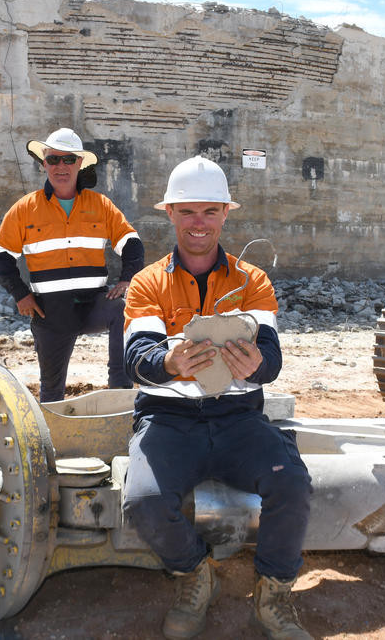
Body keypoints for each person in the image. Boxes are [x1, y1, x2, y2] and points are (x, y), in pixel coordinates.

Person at [122, 155, 313, 639]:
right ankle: (195, 575)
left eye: (210, 211)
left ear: (226, 213)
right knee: (143, 502)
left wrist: (259, 365)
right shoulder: (147, 283)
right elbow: (136, 355)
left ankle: (273, 596)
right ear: (169, 214)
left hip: (236, 420)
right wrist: (167, 364)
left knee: (291, 483)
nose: (199, 223)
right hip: (168, 420)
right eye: (187, 212)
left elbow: (270, 355)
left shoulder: (252, 281)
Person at [0, 128, 144, 402]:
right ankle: (54, 437)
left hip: (94, 304)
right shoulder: (25, 209)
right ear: (44, 164)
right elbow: (1, 255)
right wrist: (21, 294)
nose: (61, 166)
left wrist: (126, 280)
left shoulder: (101, 205)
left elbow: (131, 242)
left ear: (80, 164)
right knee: (51, 390)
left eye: (69, 159)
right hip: (50, 311)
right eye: (53, 159)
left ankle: (119, 391)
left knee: (121, 309)